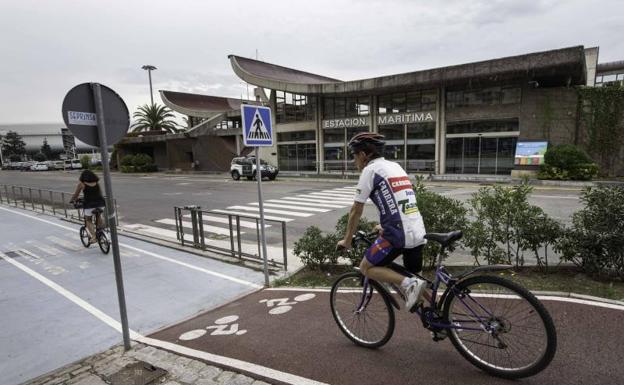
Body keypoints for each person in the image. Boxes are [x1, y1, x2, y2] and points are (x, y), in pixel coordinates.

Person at [337, 132, 428, 311]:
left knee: (366, 267)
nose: (354, 160)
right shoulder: (395, 166)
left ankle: (408, 283)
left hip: (399, 234)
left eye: (354, 155)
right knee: (421, 285)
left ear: (364, 155)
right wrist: (383, 225)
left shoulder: (370, 170)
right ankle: (439, 317)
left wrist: (347, 240)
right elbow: (399, 199)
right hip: (417, 230)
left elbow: (356, 210)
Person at [70, 170, 106, 244]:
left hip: (89, 204)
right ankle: (101, 230)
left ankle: (94, 237)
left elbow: (76, 194)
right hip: (101, 203)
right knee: (98, 215)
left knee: (88, 219)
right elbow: (99, 193)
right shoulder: (97, 183)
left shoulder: (82, 184)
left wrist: (72, 200)